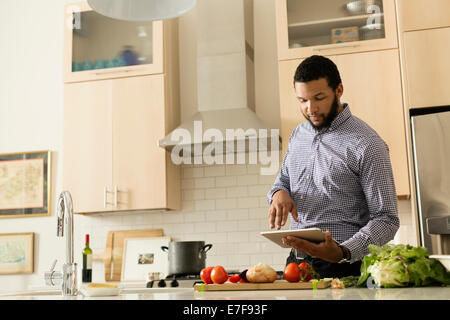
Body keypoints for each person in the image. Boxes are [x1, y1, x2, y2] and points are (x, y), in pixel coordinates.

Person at [267, 55, 400, 279]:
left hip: (345, 267)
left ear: (338, 90)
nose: (311, 108)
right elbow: (283, 181)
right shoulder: (298, 134)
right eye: (302, 100)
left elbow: (387, 219)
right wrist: (278, 193)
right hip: (295, 266)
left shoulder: (368, 144)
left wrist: (343, 251)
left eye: (319, 97)